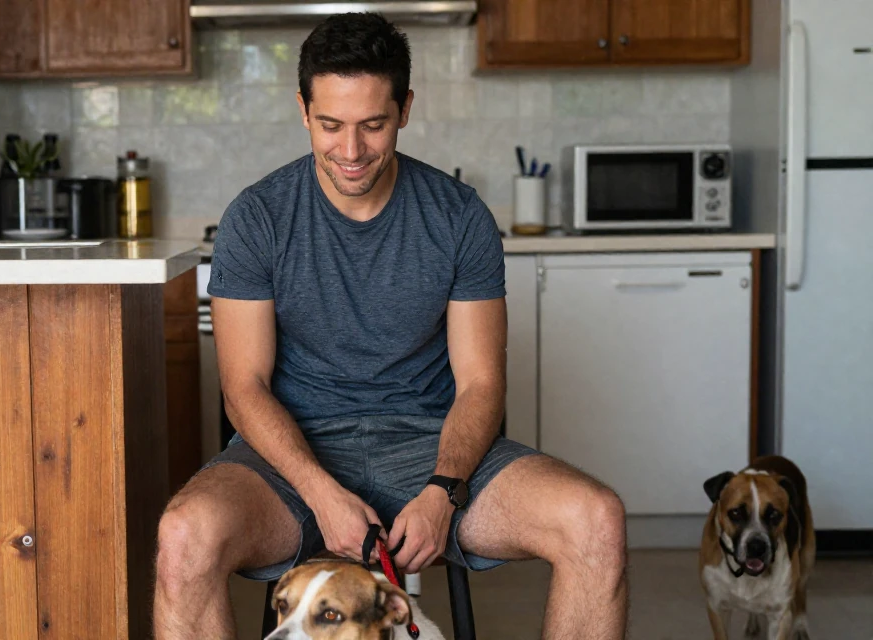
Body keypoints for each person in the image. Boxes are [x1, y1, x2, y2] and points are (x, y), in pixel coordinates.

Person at [154, 12, 628, 639]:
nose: (350, 152)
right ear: (303, 111)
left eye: (373, 125)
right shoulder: (257, 217)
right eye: (330, 125)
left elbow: (482, 383)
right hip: (292, 459)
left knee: (596, 519)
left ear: (405, 109)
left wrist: (443, 491)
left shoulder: (459, 217)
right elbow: (244, 386)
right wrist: (321, 494)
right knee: (183, 535)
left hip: (431, 448)